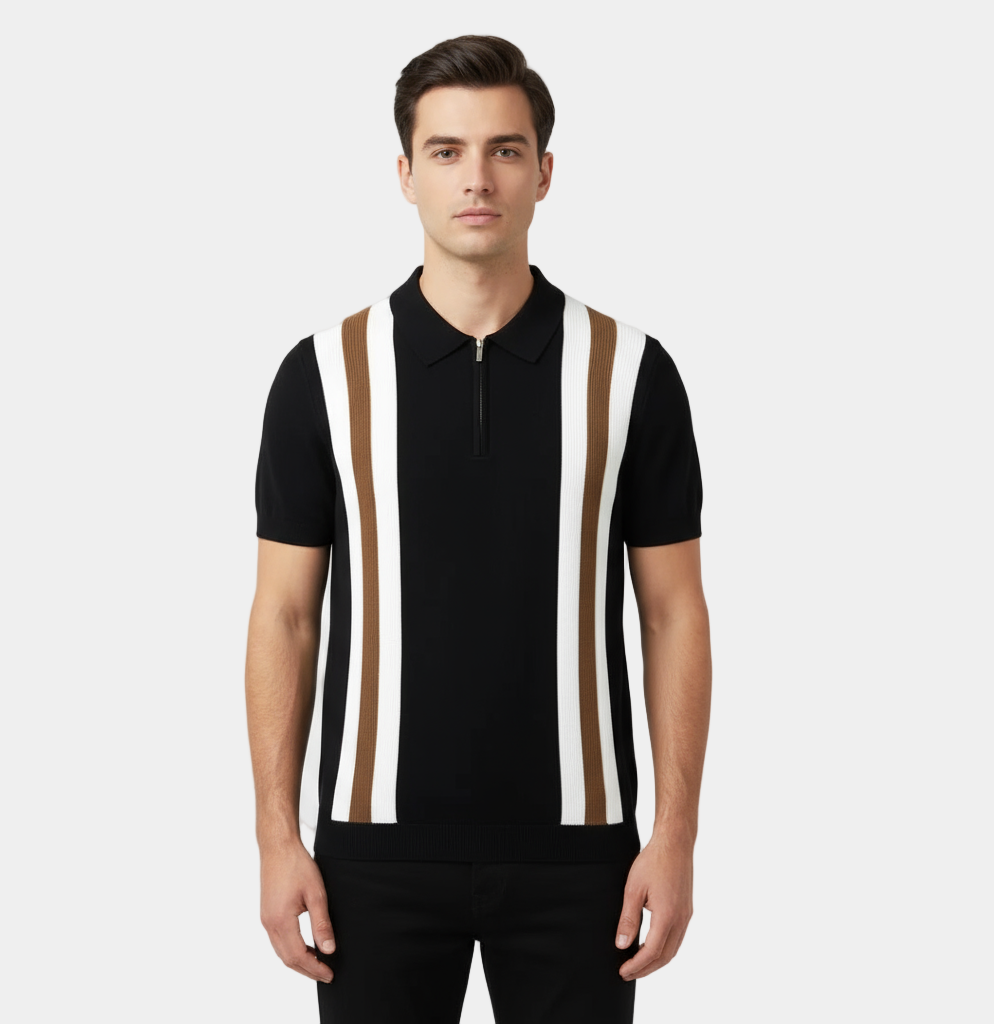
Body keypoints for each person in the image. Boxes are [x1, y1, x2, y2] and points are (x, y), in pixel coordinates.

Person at [245, 33, 712, 1024]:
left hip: (581, 855)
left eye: (504, 149)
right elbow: (285, 615)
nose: (477, 178)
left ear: (544, 173)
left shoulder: (631, 372)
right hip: (371, 854)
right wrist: (276, 837)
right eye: (447, 151)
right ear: (404, 174)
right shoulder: (322, 375)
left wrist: (674, 836)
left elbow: (673, 612)